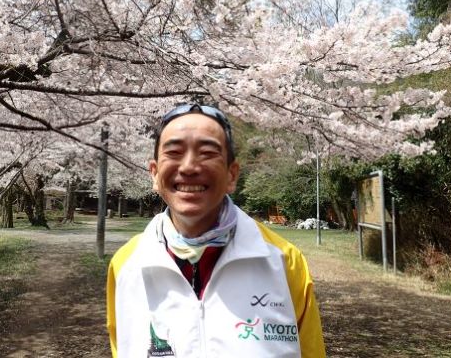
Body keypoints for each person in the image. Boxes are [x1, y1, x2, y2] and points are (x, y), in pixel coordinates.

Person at [106, 103, 325, 358]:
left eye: (208, 152)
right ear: (155, 174)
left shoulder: (285, 261)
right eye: (174, 152)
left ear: (232, 175)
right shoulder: (125, 265)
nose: (188, 167)